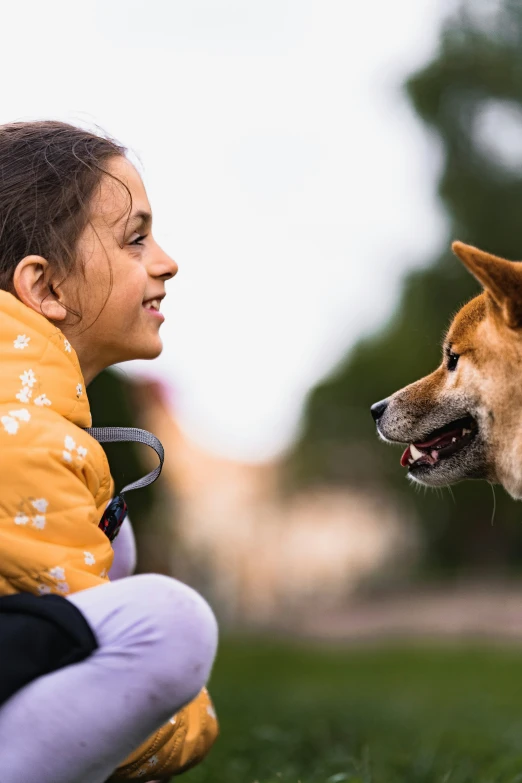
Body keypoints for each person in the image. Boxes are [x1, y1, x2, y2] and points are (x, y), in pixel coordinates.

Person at [0, 121, 219, 783]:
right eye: (135, 239)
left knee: (114, 550)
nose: (166, 261)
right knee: (172, 623)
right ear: (46, 290)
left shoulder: (30, 412)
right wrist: (191, 721)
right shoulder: (18, 431)